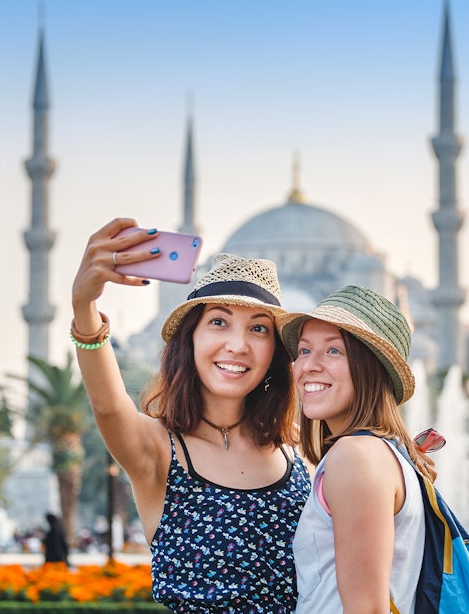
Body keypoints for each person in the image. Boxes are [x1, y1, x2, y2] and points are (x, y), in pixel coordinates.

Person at [72, 219, 309, 613]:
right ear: (191, 338)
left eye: (259, 329)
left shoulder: (297, 445)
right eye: (219, 322)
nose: (238, 345)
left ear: (275, 354)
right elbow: (109, 406)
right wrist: (84, 306)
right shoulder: (158, 449)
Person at [277, 284, 430, 612]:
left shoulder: (356, 456)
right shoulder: (381, 453)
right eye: (304, 351)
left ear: (371, 367)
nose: (309, 366)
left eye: (333, 350)